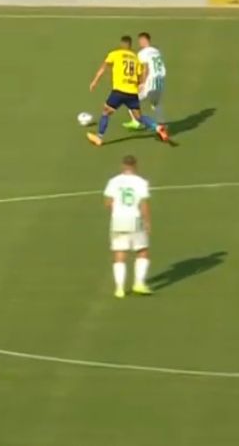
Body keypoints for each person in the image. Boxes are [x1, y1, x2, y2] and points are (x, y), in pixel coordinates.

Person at [87, 36, 169, 146]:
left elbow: (103, 67)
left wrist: (94, 81)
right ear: (130, 45)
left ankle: (99, 137)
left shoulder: (115, 54)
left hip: (119, 90)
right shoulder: (135, 58)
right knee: (139, 117)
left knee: (106, 112)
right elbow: (141, 73)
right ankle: (158, 127)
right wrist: (140, 84)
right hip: (132, 92)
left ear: (121, 44)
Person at [104, 155, 153, 299]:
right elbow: (143, 204)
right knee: (142, 251)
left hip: (118, 220)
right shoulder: (141, 182)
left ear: (123, 165)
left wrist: (117, 212)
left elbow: (107, 203)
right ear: (135, 166)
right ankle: (139, 283)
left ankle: (119, 288)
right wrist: (147, 221)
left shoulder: (113, 181)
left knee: (119, 252)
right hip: (135, 218)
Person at [124, 32, 168, 130]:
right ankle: (162, 124)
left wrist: (142, 83)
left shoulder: (142, 53)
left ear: (144, 40)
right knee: (156, 103)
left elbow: (145, 68)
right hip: (160, 80)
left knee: (130, 99)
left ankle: (136, 121)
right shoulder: (156, 51)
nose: (139, 43)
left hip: (150, 80)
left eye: (140, 41)